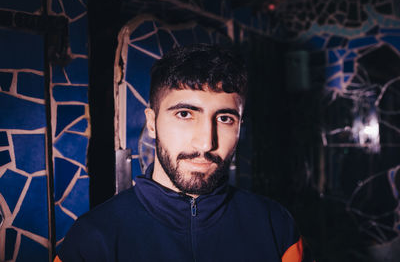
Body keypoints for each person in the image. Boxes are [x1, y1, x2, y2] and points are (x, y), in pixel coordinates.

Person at [56, 44, 309, 262]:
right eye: (185, 114)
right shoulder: (91, 240)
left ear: (240, 126)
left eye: (224, 118)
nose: (205, 144)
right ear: (152, 123)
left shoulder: (276, 227)